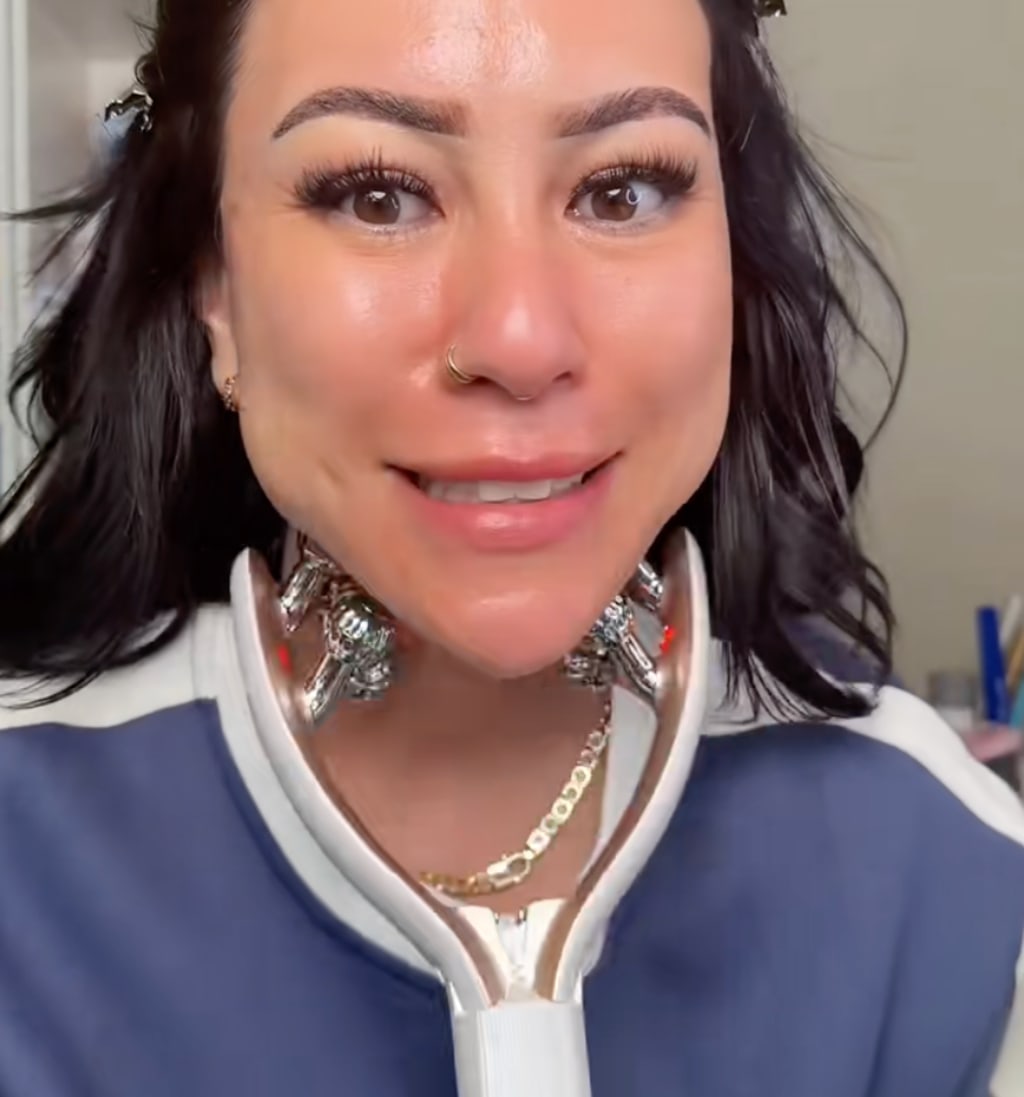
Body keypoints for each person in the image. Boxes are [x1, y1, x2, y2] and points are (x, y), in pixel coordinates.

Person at [1, 0, 1022, 1094]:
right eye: (378, 195)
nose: (520, 338)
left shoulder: (947, 869)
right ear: (215, 290)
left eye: (623, 190)